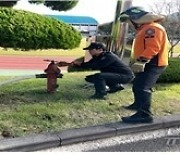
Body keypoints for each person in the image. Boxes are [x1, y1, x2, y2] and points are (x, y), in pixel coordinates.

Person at [119, 7, 169, 123]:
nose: (129, 24)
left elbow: (153, 48)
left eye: (130, 21)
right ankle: (138, 105)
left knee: (142, 87)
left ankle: (145, 115)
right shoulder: (146, 28)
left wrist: (142, 61)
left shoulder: (151, 29)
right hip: (150, 62)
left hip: (153, 63)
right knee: (138, 84)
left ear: (136, 19)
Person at [69, 42, 134, 99]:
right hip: (116, 75)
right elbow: (89, 65)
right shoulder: (97, 57)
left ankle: (100, 94)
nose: (89, 51)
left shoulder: (108, 56)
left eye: (91, 49)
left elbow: (97, 66)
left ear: (100, 49)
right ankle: (115, 87)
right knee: (90, 78)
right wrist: (76, 65)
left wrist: (80, 64)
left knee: (99, 76)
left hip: (126, 76)